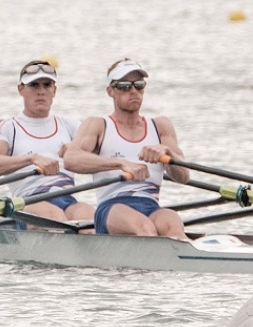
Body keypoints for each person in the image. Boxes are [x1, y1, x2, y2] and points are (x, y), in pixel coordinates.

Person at [62, 58, 191, 238]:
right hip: (112, 208)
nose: (133, 91)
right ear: (110, 91)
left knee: (173, 223)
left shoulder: (161, 126)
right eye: (124, 86)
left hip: (151, 206)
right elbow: (71, 159)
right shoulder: (97, 125)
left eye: (139, 85)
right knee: (145, 228)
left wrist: (168, 154)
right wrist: (120, 164)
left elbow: (184, 177)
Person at [0, 59, 96, 226]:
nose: (41, 91)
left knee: (90, 217)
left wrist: (76, 151)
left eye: (47, 85)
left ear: (54, 90)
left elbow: (100, 153)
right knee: (55, 218)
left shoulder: (70, 124)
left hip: (68, 200)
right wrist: (31, 159)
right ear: (21, 89)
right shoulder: (8, 127)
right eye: (34, 85)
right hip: (29, 202)